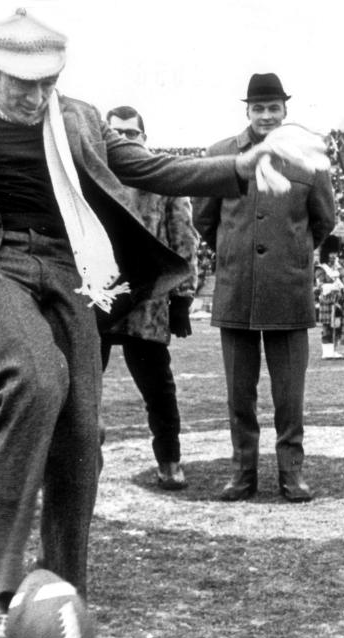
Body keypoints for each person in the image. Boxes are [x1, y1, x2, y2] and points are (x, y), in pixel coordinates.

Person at [0, 10, 309, 638]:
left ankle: (55, 616)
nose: (36, 98)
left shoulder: (75, 117)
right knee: (36, 379)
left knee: (81, 437)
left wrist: (238, 165)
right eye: (23, 86)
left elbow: (149, 165)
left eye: (49, 85)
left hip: (70, 270)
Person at [193, 72, 336, 503]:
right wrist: (236, 251)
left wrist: (288, 254)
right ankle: (243, 473)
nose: (267, 116)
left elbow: (323, 221)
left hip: (288, 292)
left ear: (286, 111)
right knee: (240, 395)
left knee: (288, 397)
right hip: (236, 289)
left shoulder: (309, 161)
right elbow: (205, 218)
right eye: (259, 108)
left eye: (274, 108)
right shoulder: (221, 155)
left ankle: (292, 473)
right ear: (247, 111)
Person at [100, 105, 198, 490]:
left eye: (132, 133)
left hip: (149, 302)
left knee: (159, 389)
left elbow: (183, 238)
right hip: (98, 298)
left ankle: (170, 461)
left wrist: (183, 298)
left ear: (144, 137)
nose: (125, 140)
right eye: (117, 133)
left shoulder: (162, 178)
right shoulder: (89, 174)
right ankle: (68, 460)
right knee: (80, 386)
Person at [315, 234, 344, 360]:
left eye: (335, 252)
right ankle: (326, 351)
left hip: (338, 301)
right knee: (327, 327)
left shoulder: (339, 268)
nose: (333, 255)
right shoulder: (321, 268)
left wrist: (340, 275)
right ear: (326, 253)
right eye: (331, 253)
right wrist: (333, 286)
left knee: (337, 327)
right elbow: (320, 286)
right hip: (327, 301)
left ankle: (333, 350)